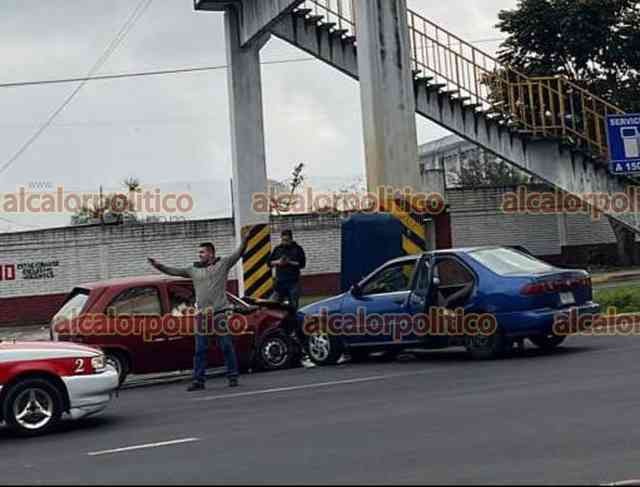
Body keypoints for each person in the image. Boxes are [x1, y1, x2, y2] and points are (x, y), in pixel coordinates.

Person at [148, 229, 250, 391]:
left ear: (211, 253)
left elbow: (238, 253)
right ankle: (198, 381)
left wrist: (245, 240)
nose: (199, 255)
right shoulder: (192, 270)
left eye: (202, 252)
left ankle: (232, 376)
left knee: (226, 345)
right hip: (202, 315)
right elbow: (173, 271)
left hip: (220, 313)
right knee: (200, 349)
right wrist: (158, 265)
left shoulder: (223, 264)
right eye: (199, 252)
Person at [268, 229, 306, 310]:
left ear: (291, 239)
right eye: (283, 240)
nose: (284, 242)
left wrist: (290, 262)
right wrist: (278, 262)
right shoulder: (277, 249)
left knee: (293, 306)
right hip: (279, 283)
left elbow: (302, 264)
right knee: (273, 305)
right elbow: (269, 263)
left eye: (287, 240)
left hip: (293, 282)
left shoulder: (298, 249)